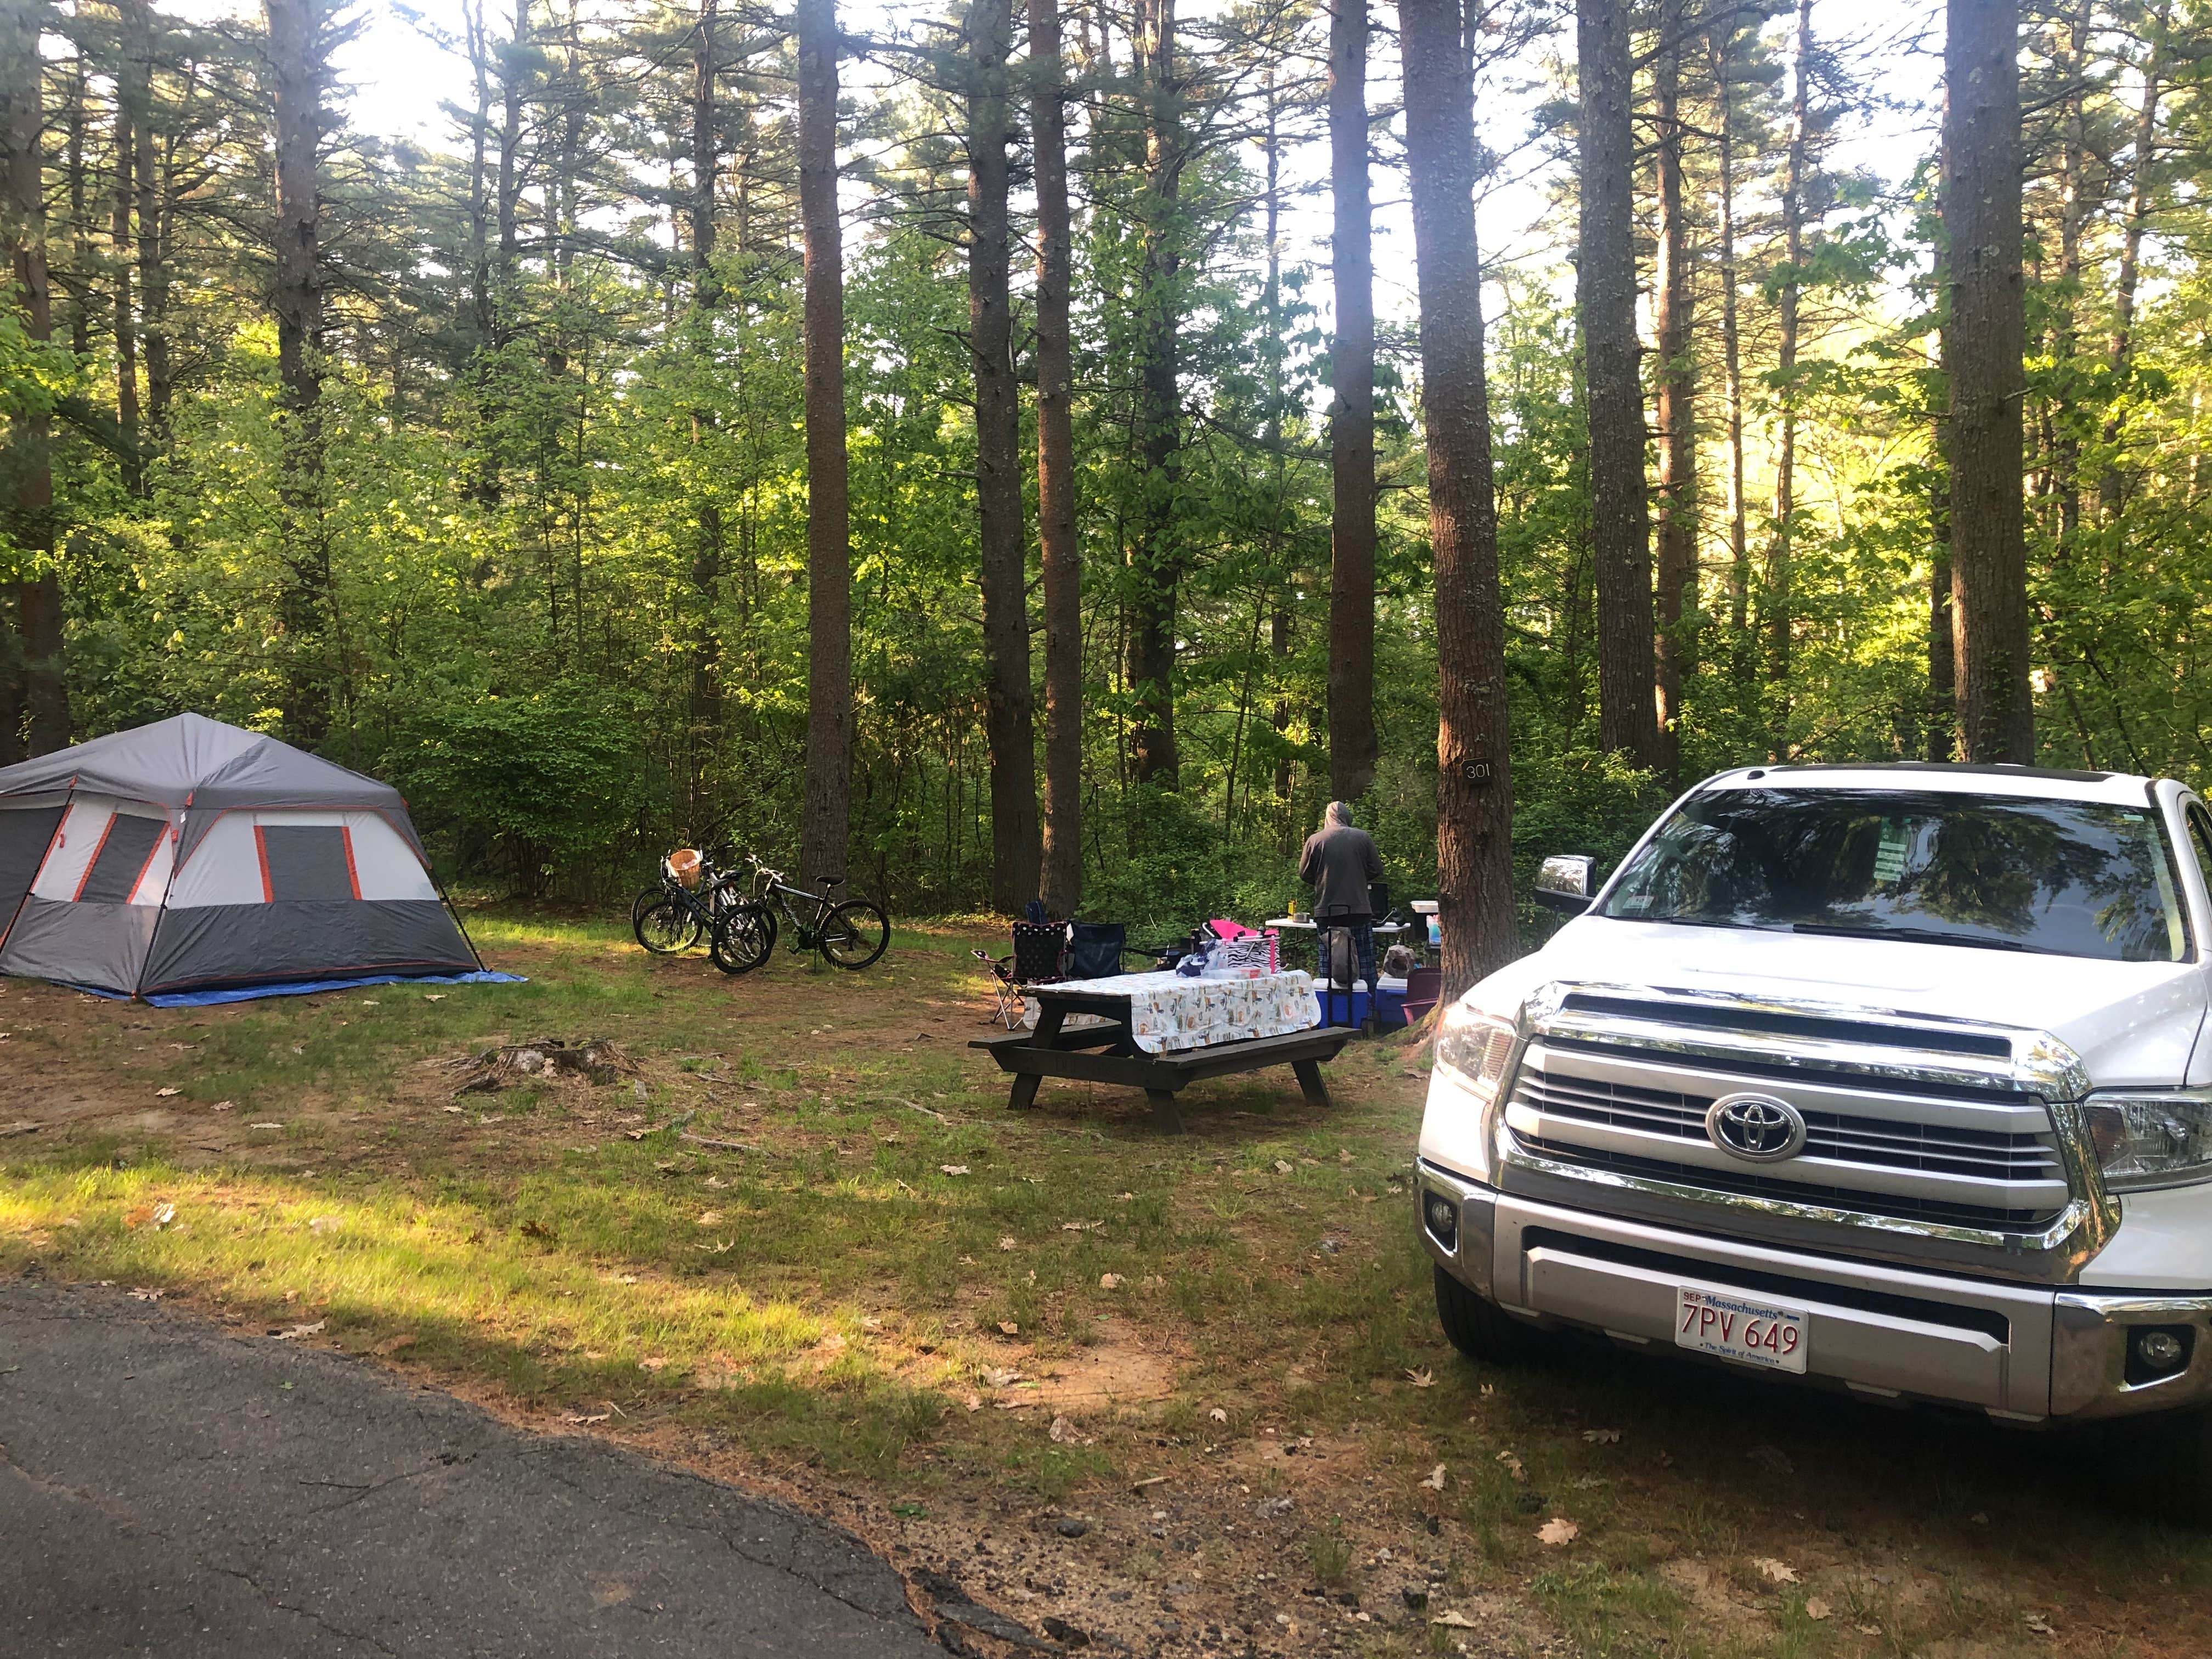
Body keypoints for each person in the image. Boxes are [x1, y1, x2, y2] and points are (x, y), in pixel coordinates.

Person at [1299, 801, 1384, 1000]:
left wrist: (1321, 880)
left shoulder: (1315, 840)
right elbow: (1377, 869)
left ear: (1327, 818)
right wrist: (1359, 878)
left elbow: (1304, 873)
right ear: (1347, 817)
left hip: (1327, 911)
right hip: (1359, 910)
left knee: (1329, 962)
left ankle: (1331, 1007)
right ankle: (1367, 1007)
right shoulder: (1363, 837)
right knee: (1364, 961)